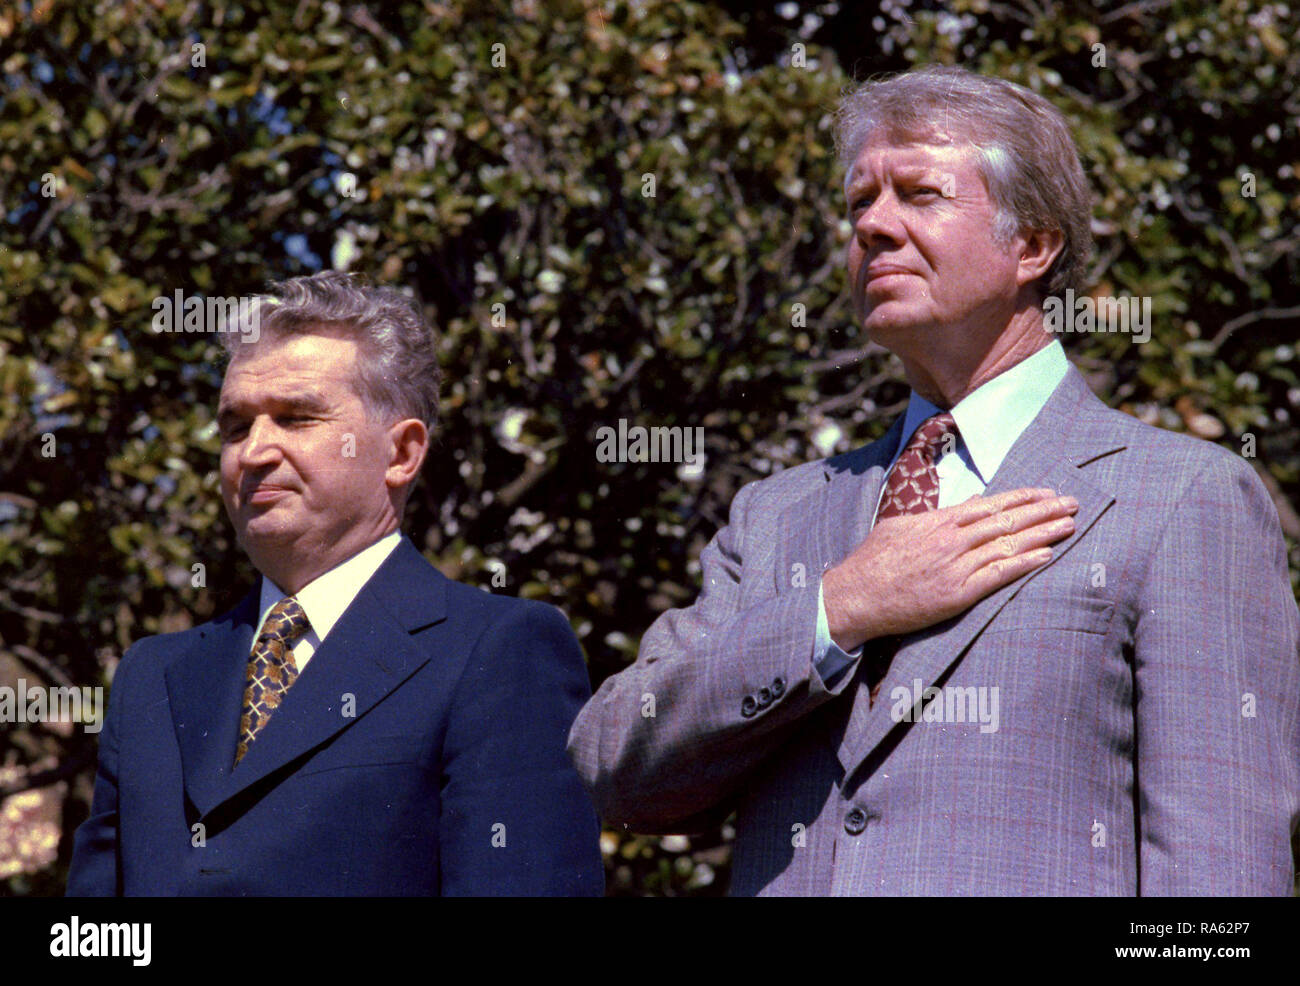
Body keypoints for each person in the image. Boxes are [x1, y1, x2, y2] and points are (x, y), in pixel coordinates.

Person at [568, 65, 1300, 895]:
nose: (873, 226)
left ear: (1033, 244)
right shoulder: (777, 515)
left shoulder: (1181, 498)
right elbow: (613, 767)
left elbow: (1224, 883)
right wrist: (835, 610)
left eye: (920, 195)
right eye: (859, 203)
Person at [67, 271, 603, 895]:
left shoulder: (498, 652)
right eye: (236, 426)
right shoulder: (153, 677)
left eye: (296, 418)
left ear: (401, 454)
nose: (254, 451)